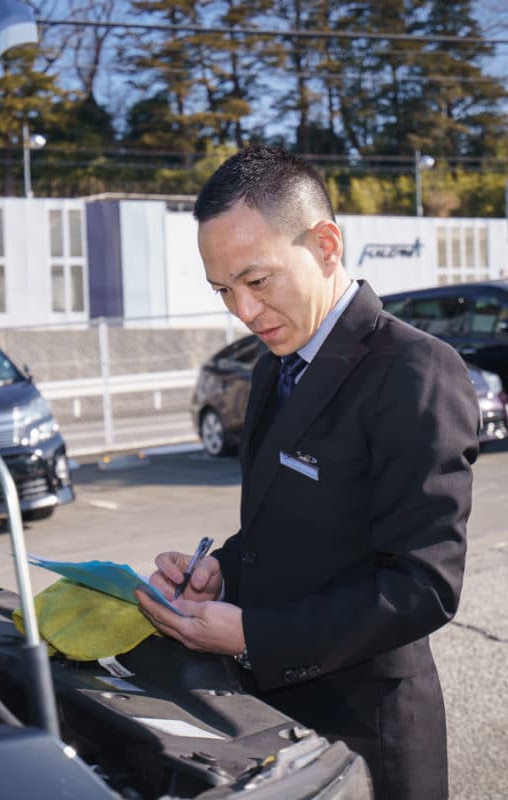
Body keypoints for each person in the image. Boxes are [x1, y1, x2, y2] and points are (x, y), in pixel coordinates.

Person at [135, 146, 478, 800]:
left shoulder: (416, 372)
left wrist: (253, 635)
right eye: (223, 290)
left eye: (257, 281)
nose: (242, 310)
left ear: (324, 246)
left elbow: (423, 585)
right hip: (275, 722)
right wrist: (220, 573)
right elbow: (283, 529)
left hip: (370, 735)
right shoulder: (273, 367)